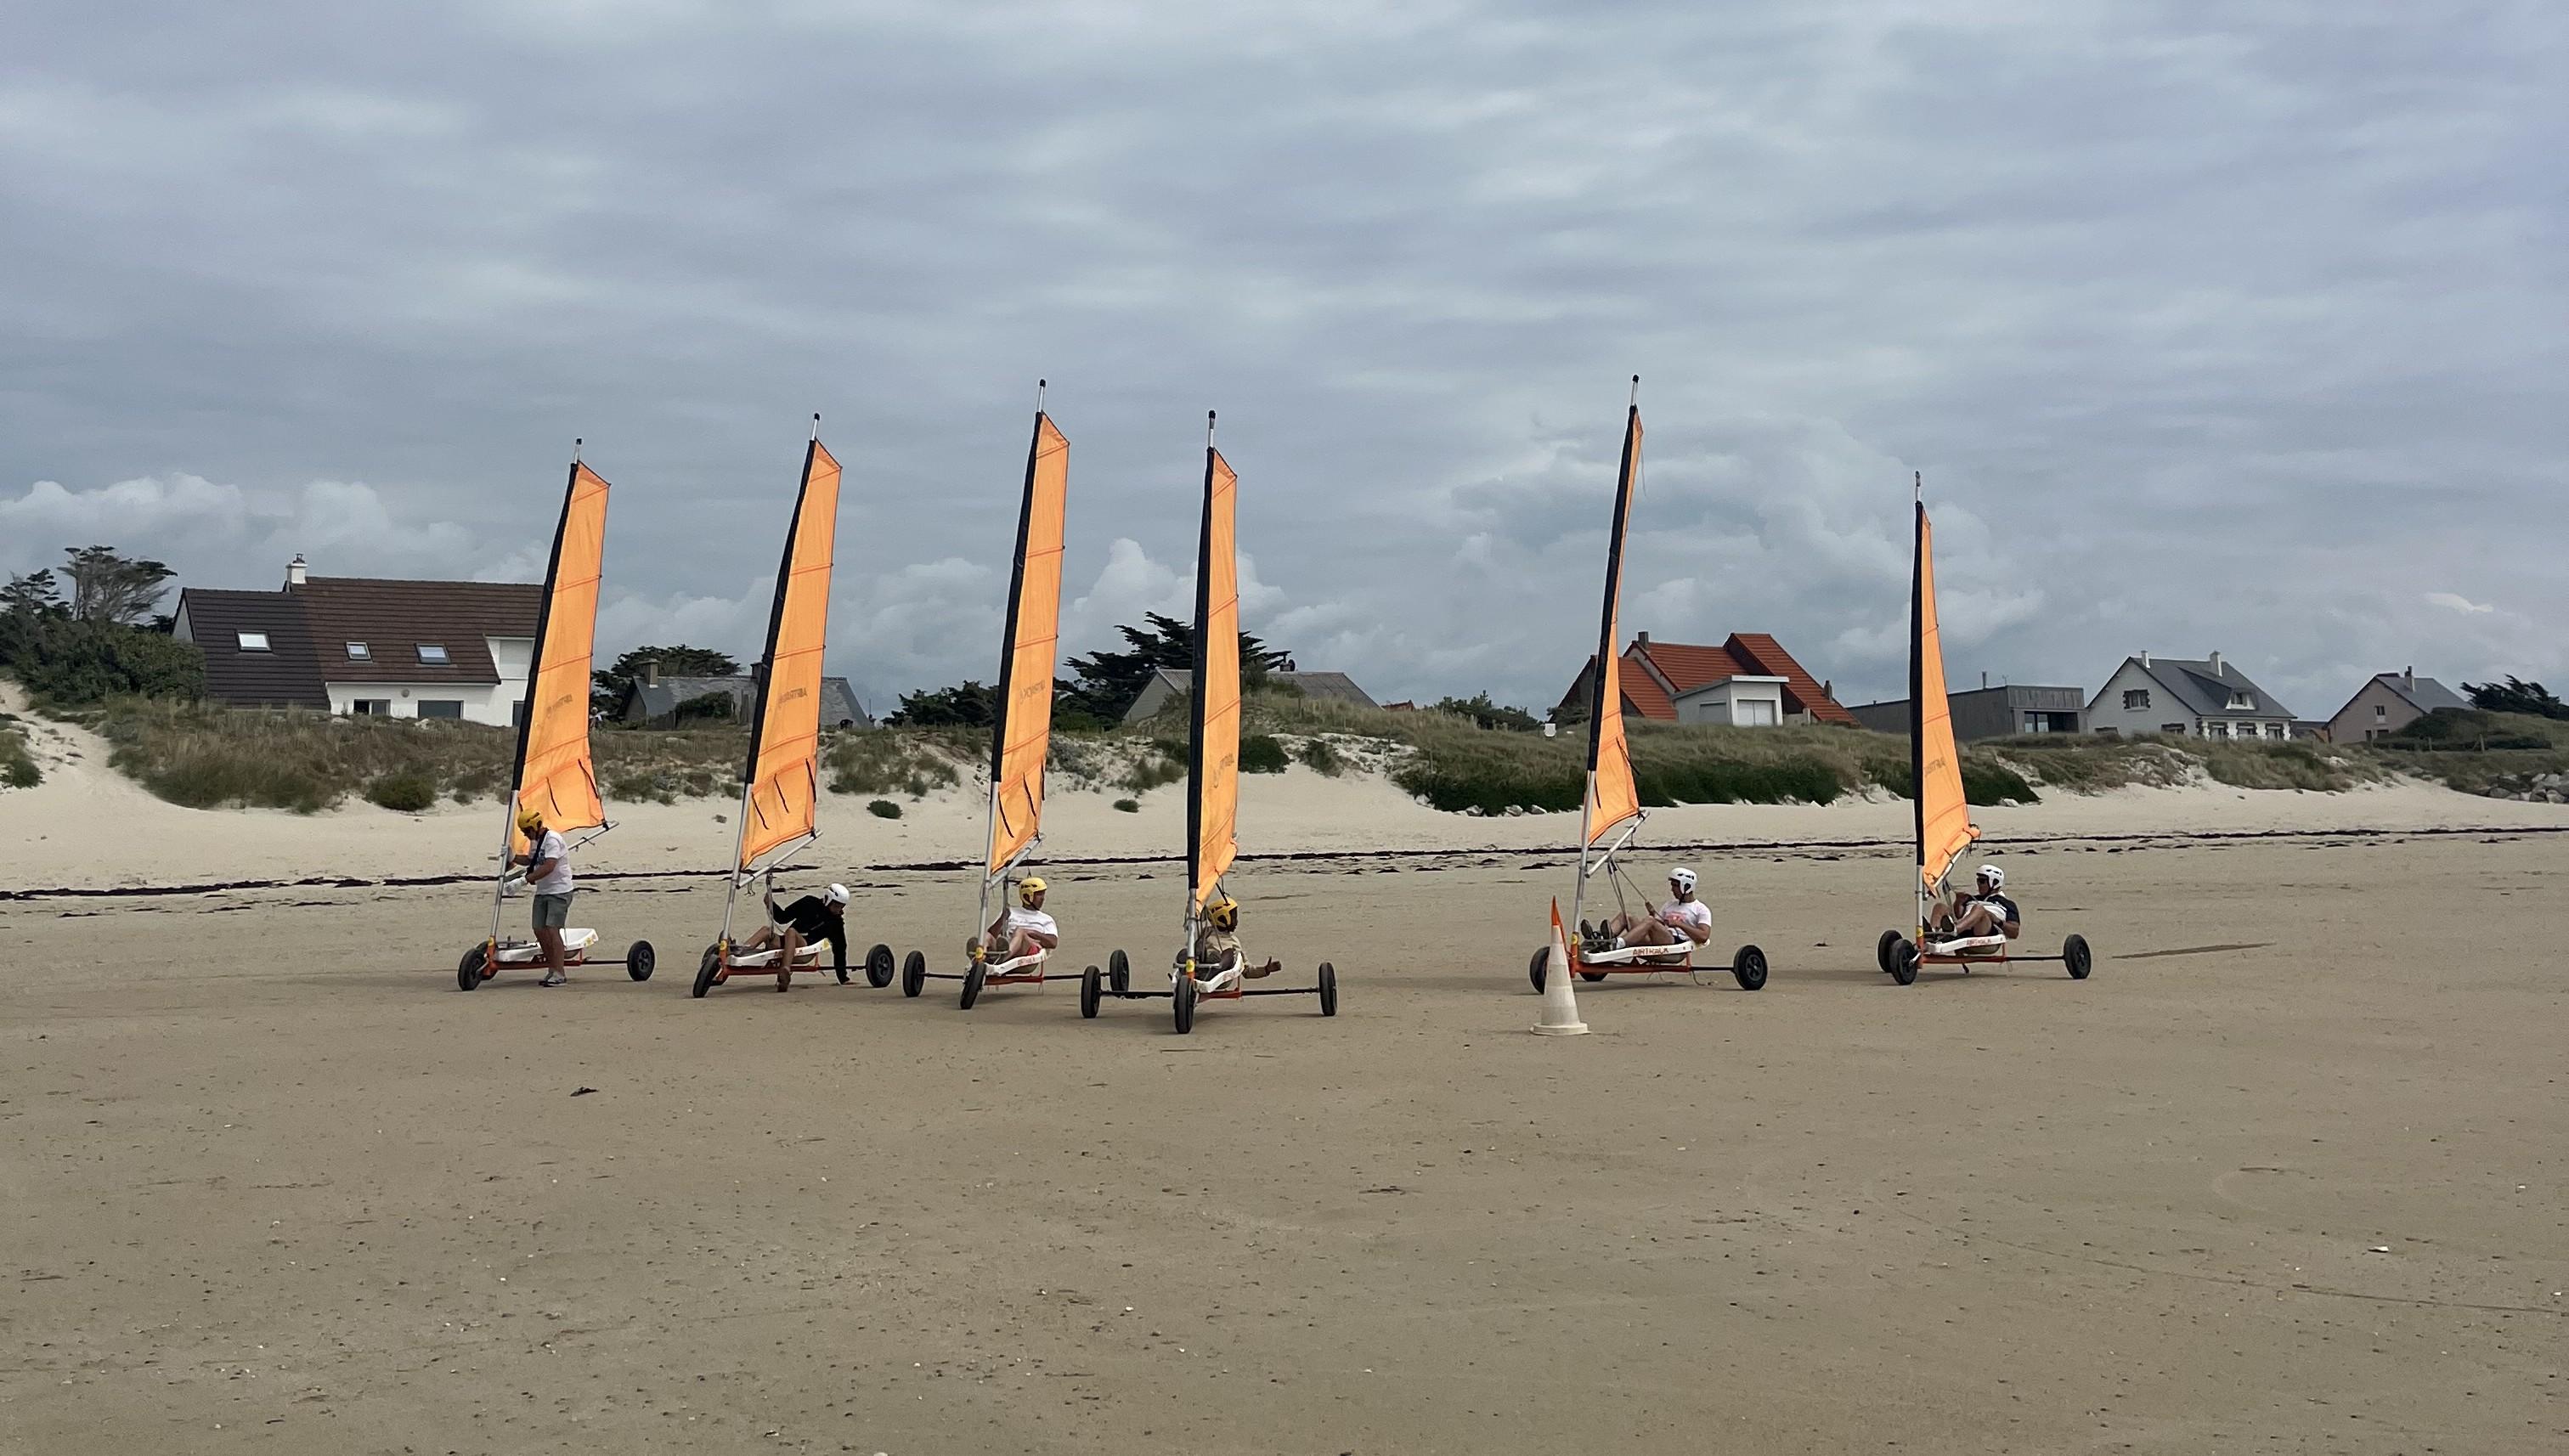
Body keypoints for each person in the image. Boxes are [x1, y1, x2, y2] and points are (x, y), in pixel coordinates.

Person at [739, 878, 850, 989]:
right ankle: (738, 953)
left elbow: (840, 949)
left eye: (841, 906)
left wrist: (843, 978)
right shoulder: (808, 902)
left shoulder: (836, 923)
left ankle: (785, 971)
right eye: (836, 906)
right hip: (786, 943)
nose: (838, 909)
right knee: (766, 930)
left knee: (791, 932)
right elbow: (783, 918)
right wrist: (770, 904)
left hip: (805, 951)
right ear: (828, 899)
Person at [511, 805, 573, 986]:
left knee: (552, 930)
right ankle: (552, 968)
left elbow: (549, 866)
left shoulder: (553, 839)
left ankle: (560, 974)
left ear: (535, 826)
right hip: (543, 891)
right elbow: (532, 860)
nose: (525, 834)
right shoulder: (535, 842)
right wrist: (513, 857)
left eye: (527, 831)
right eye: (523, 831)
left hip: (559, 891)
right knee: (539, 929)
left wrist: (524, 881)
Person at [1594, 866, 1714, 957]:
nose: (1672, 889)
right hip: (1657, 938)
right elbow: (1658, 925)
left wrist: (1678, 924)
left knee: (1650, 921)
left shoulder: (1700, 909)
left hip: (1675, 944)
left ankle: (1618, 944)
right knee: (1626, 916)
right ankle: (1602, 938)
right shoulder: (1670, 905)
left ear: (1686, 886)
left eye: (1675, 886)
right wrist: (1653, 914)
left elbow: (1703, 937)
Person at [1191, 896, 1279, 984]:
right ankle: (1196, 967)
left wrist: (1265, 970)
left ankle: (1213, 969)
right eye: (1233, 918)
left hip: (1221, 975)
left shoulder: (1234, 941)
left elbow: (1247, 971)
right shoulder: (1207, 932)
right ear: (1222, 918)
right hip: (1203, 964)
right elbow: (1197, 946)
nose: (1236, 922)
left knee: (1229, 953)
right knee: (1192, 951)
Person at [974, 876, 1060, 966]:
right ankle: (980, 958)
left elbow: (1053, 943)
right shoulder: (1010, 911)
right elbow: (993, 934)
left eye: (1043, 894)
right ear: (1027, 897)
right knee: (987, 935)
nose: (1043, 898)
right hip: (1005, 945)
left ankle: (1004, 957)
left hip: (1027, 951)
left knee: (1020, 931)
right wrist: (1002, 919)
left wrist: (1030, 932)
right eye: (1039, 894)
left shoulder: (1046, 919)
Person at [1931, 864, 2021, 948]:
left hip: (1985, 932)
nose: (1978, 884)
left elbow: (2014, 933)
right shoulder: (1972, 899)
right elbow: (1959, 916)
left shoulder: (2007, 903)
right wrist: (1959, 902)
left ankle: (1954, 931)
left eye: (1982, 881)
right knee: (1940, 907)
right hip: (1965, 929)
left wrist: (1996, 920)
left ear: (1995, 883)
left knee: (1979, 909)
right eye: (1978, 880)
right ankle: (1933, 933)